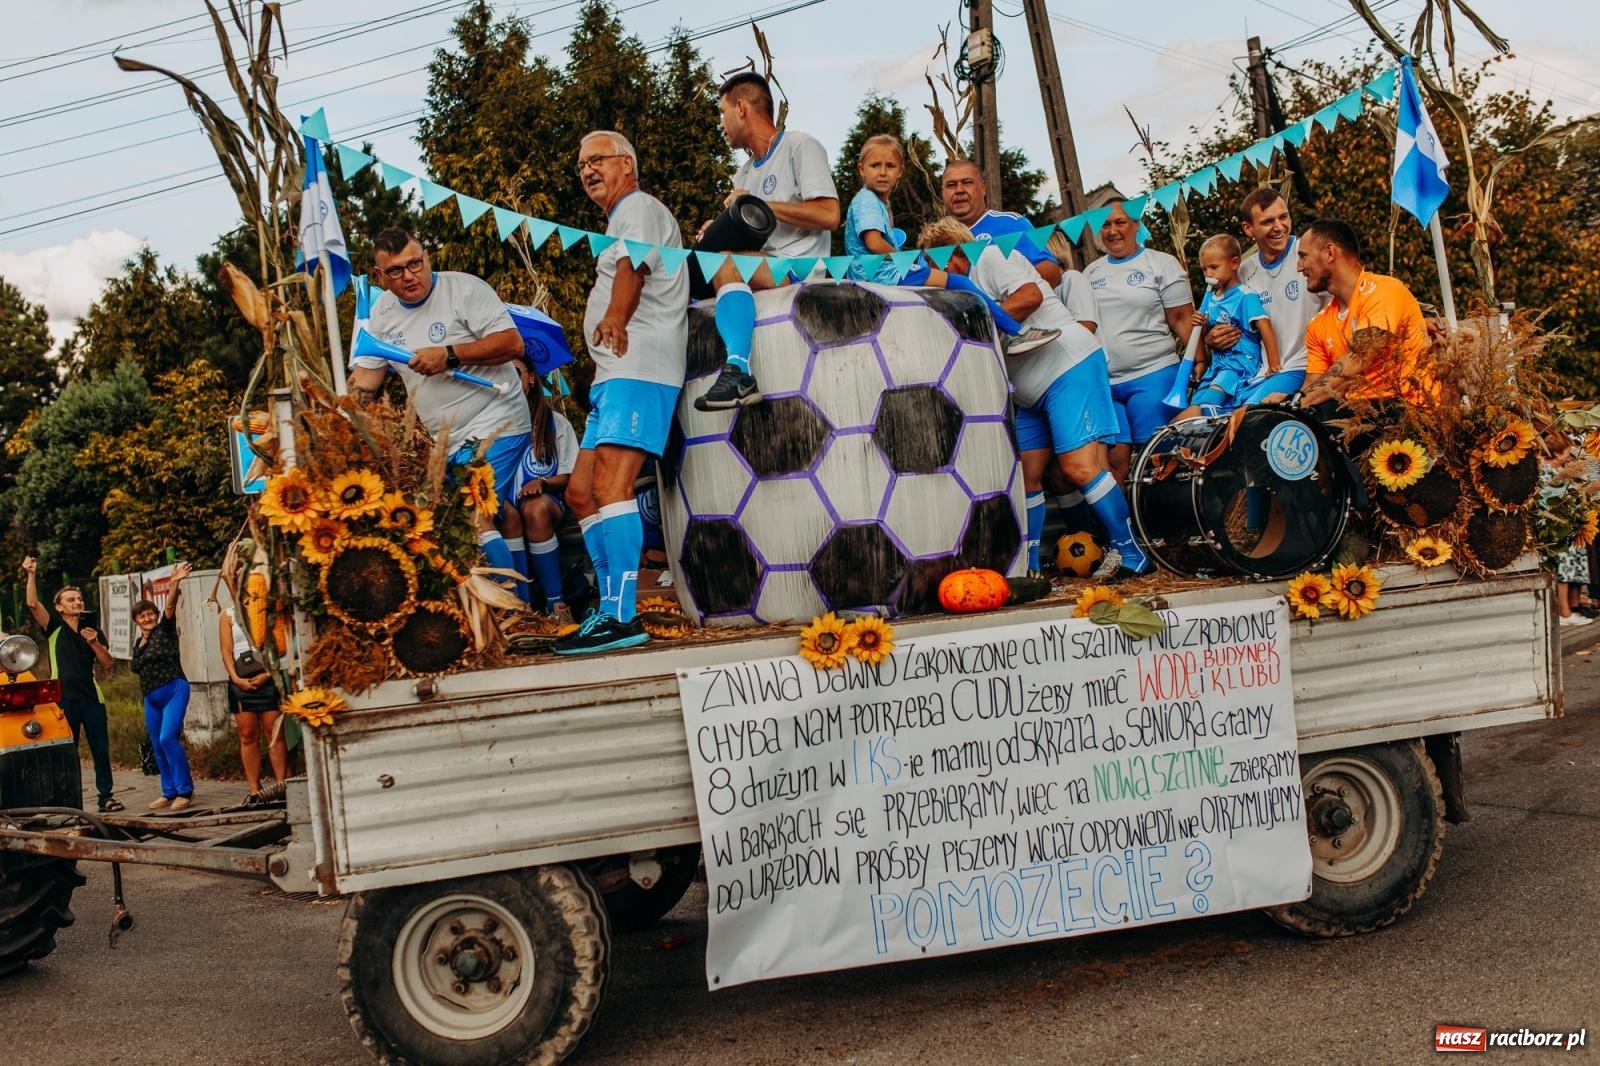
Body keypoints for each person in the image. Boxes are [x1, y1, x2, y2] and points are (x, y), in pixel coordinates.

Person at [918, 217, 1152, 580]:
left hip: (1067, 364)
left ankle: (1130, 551)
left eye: (936, 262)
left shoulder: (992, 256)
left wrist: (981, 323)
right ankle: (1028, 566)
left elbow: (1031, 296)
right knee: (1026, 477)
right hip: (1027, 391)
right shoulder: (960, 288)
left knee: (1080, 467)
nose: (938, 272)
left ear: (950, 252)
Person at [556, 130, 688, 655]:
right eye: (581, 164)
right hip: (616, 371)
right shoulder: (619, 219)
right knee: (580, 492)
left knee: (613, 485)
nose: (588, 170)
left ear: (627, 165)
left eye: (597, 160)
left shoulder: (639, 208)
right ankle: (608, 608)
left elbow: (633, 266)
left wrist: (615, 315)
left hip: (641, 365)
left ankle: (619, 614)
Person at [349, 228, 530, 594]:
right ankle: (522, 607)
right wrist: (337, 417)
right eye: (396, 271)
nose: (409, 275)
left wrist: (449, 354)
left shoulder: (465, 289)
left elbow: (512, 343)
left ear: (427, 257)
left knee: (472, 514)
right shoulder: (380, 313)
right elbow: (365, 381)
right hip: (447, 440)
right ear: (379, 276)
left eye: (415, 263)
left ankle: (513, 612)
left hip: (499, 419)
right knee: (457, 523)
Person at [694, 73, 839, 411]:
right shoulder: (742, 174)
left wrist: (758, 206)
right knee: (706, 264)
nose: (720, 123)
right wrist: (718, 229)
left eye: (722, 112)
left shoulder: (800, 146)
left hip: (801, 267)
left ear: (741, 108)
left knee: (725, 262)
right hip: (766, 265)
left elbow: (829, 214)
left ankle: (739, 373)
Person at [1082, 201, 1195, 480]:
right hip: (1106, 384)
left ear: (1136, 225)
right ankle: (1123, 524)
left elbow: (1182, 318)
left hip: (1153, 374)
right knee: (1114, 464)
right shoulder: (1090, 273)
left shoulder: (1160, 263)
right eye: (1105, 225)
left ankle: (1160, 521)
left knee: (1156, 460)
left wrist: (1200, 360)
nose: (1112, 231)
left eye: (1120, 222)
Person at [1208, 189, 1328, 405]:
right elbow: (1226, 318)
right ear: (1248, 229)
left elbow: (1341, 307)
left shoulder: (1309, 254)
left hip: (1300, 368)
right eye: (1268, 222)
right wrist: (1212, 338)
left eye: (1284, 217)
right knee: (1208, 415)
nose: (1279, 227)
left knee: (1246, 422)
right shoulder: (1243, 271)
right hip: (1256, 373)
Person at [1297, 218, 1432, 408]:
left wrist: (1298, 404)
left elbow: (1359, 356)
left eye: (1303, 256)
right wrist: (1283, 406)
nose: (1299, 267)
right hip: (1356, 416)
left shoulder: (1385, 290)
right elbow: (1312, 386)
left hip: (1406, 410)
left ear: (1329, 253)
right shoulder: (1317, 325)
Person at [23, 556, 120, 812]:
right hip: (63, 699)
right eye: (70, 599)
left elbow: (108, 664)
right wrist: (32, 574)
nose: (77, 602)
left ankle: (106, 797)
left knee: (101, 750)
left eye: (79, 599)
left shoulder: (93, 631)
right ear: (59, 607)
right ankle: (70, 803)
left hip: (92, 698)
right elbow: (32, 603)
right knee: (68, 753)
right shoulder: (54, 627)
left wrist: (94, 643)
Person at [1172, 234, 1280, 421]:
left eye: (1214, 267)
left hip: (1239, 364)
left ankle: (1229, 427)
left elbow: (1265, 326)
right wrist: (1202, 325)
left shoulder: (1245, 296)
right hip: (1218, 366)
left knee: (1209, 405)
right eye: (1205, 269)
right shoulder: (1213, 299)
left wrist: (1274, 363)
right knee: (1195, 404)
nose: (1209, 275)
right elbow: (1209, 335)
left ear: (1234, 263)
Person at [510, 360, 580, 616]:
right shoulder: (490, 424)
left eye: (515, 372)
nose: (508, 377)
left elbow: (567, 474)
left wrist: (542, 483)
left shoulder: (555, 423)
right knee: (507, 514)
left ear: (530, 377)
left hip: (546, 503)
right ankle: (521, 609)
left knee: (534, 508)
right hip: (506, 506)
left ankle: (556, 603)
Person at [129, 562, 194, 811]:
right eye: (142, 616)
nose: (147, 618)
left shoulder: (164, 631)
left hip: (174, 689)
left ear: (156, 616)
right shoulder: (139, 644)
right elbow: (136, 667)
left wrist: (174, 581)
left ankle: (185, 791)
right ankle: (168, 791)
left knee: (168, 738)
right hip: (150, 698)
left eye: (150, 614)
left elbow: (170, 605)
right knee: (156, 744)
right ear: (136, 621)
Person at [219, 606, 288, 804]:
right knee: (247, 734)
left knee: (274, 732)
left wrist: (268, 673)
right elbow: (226, 650)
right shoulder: (228, 614)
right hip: (240, 679)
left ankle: (281, 785)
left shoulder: (268, 606)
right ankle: (254, 789)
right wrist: (235, 678)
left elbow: (280, 645)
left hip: (268, 674)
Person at [844, 134, 909, 285]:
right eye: (875, 165)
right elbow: (874, 243)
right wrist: (903, 259)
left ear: (900, 171)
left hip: (875, 273)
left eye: (890, 166)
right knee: (953, 281)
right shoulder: (867, 200)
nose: (883, 172)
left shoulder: (877, 202)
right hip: (880, 274)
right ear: (861, 169)